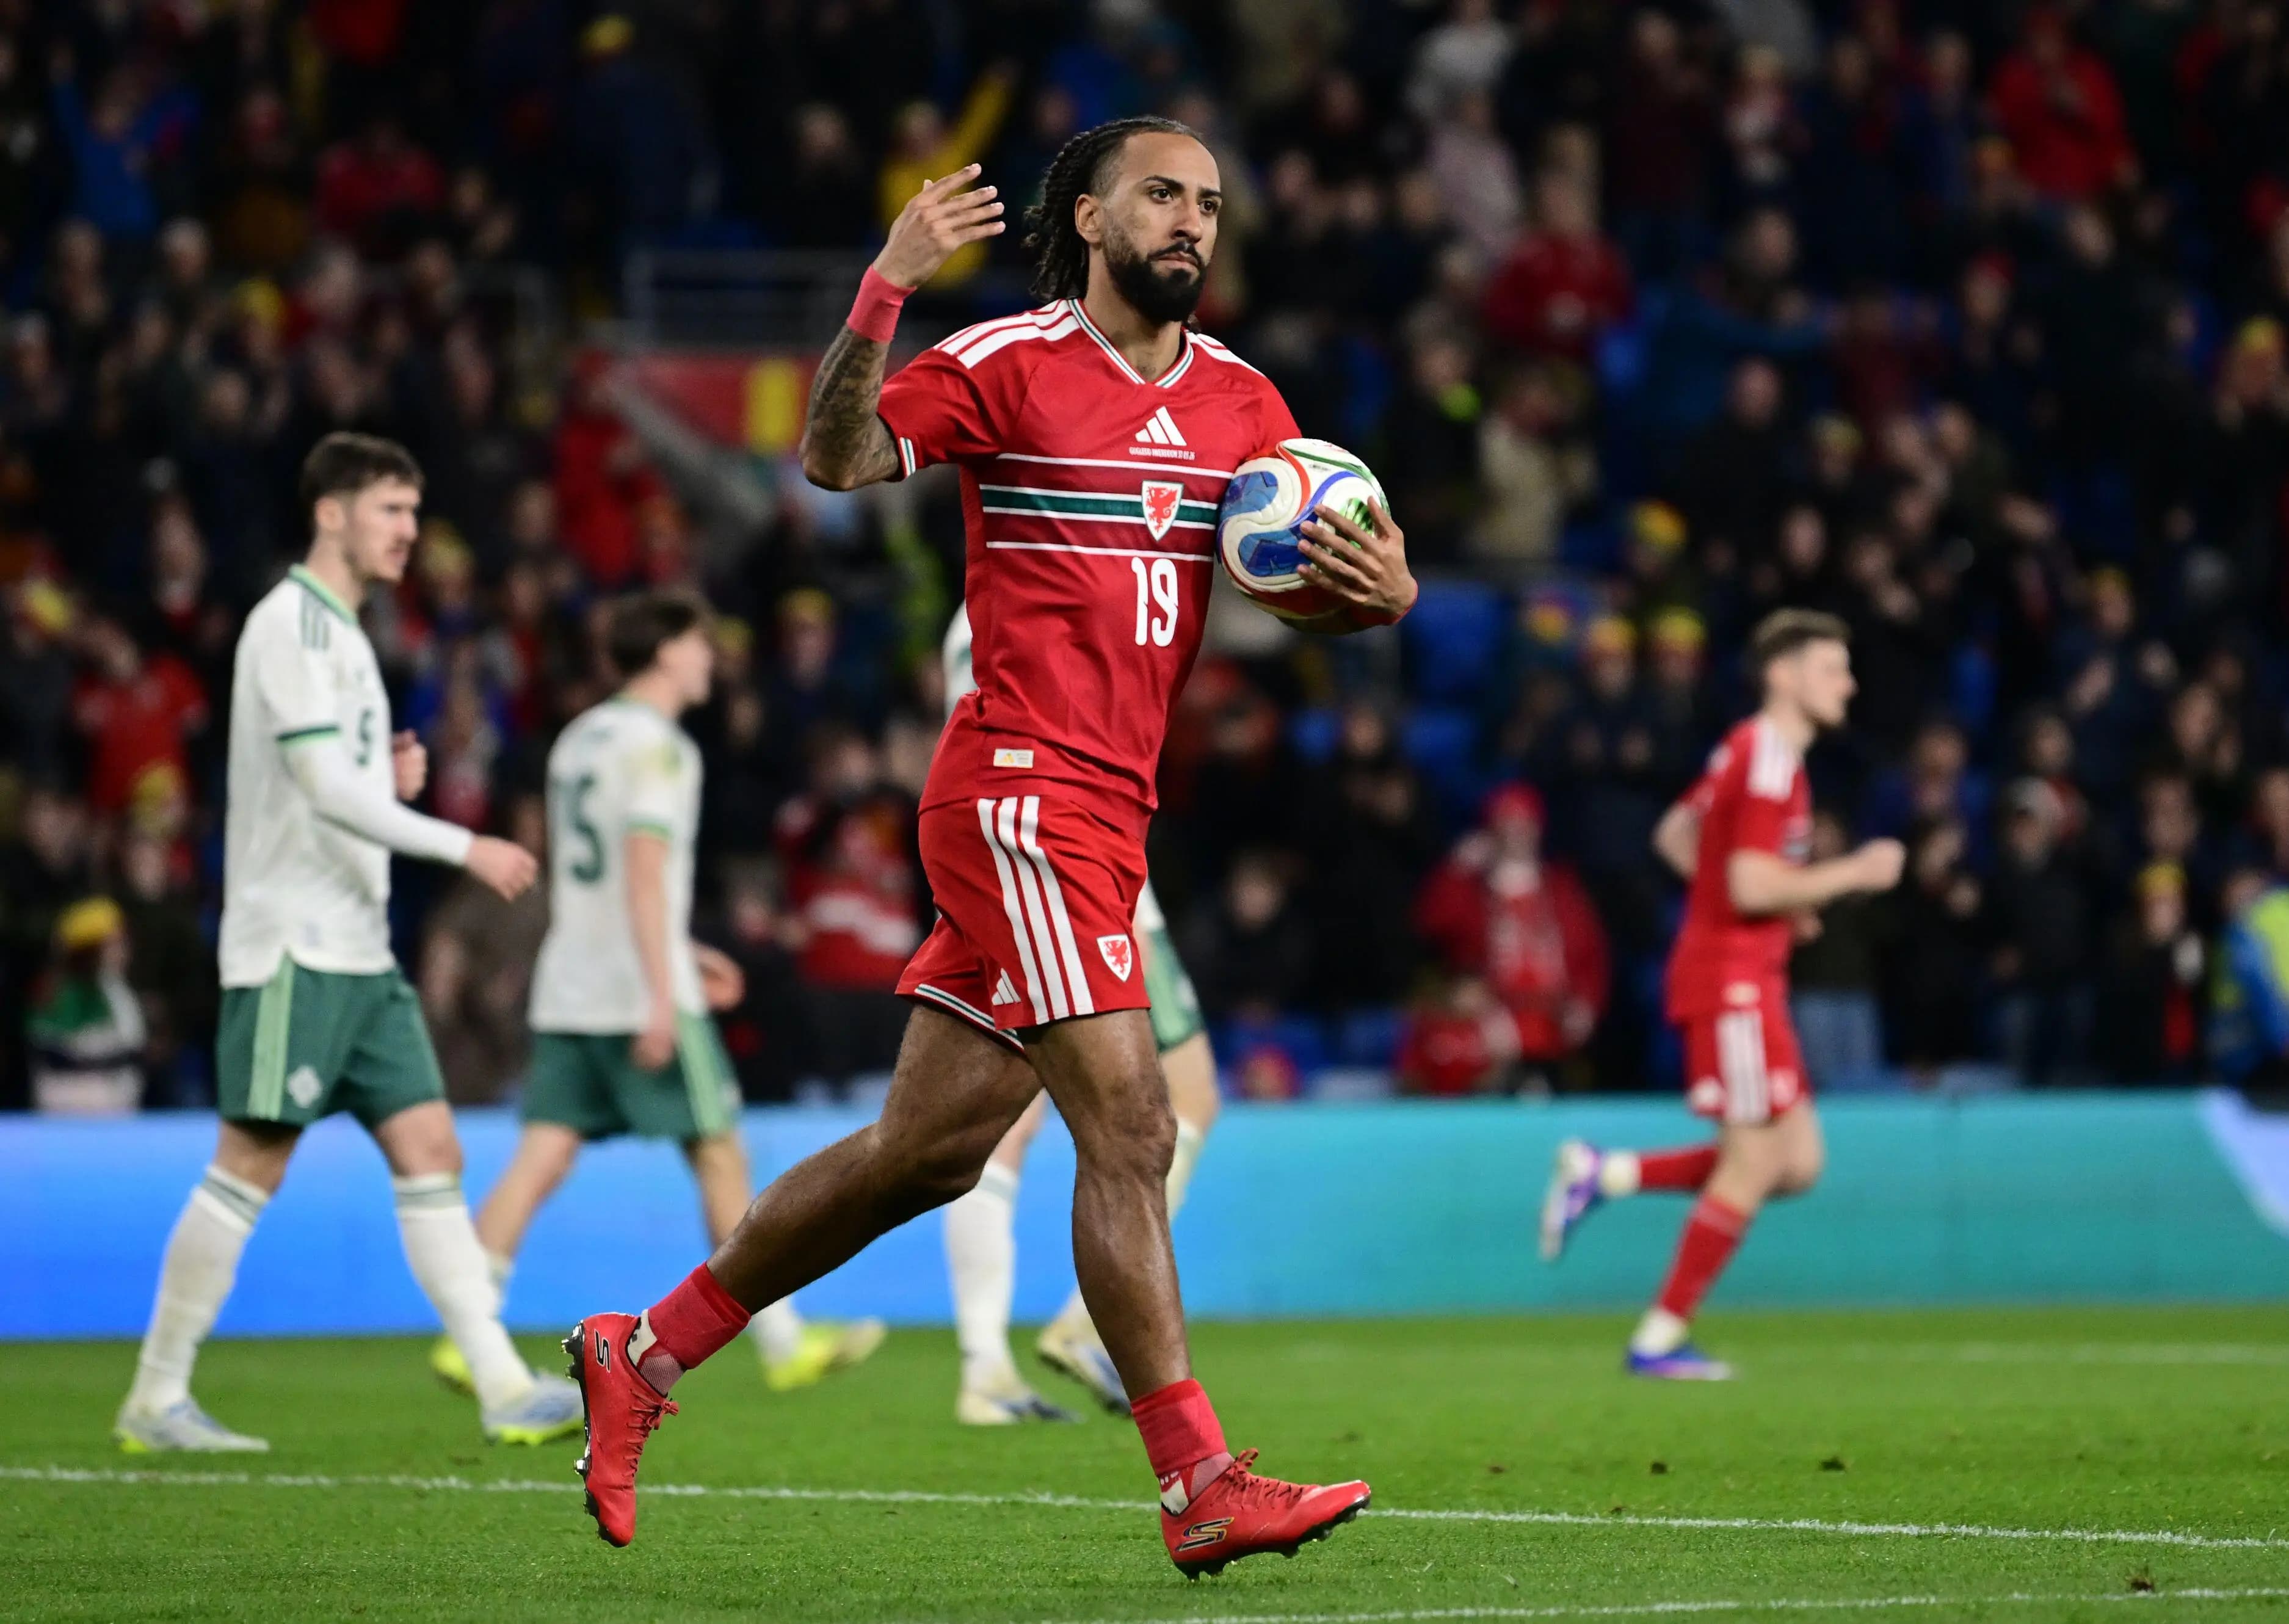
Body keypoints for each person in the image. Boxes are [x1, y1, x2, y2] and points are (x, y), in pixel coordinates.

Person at [561, 118, 1415, 1572]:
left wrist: (1383, 587)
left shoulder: (1247, 410)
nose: (1188, 224)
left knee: (926, 1154)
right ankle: (1196, 1480)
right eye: (1160, 195)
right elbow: (835, 459)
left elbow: (1318, 570)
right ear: (1087, 216)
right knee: (1132, 1126)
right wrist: (884, 288)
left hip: (1107, 813)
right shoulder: (1007, 363)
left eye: (1207, 203)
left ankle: (642, 1348)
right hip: (1020, 791)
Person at [114, 433, 580, 1452]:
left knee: (432, 1148)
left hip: (362, 952)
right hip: (295, 946)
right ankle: (154, 1396)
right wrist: (463, 841)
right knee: (250, 1161)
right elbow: (323, 794)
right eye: (390, 510)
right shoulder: (290, 627)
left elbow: (341, 785)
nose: (409, 532)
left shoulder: (351, 634)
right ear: (331, 513)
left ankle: (501, 1384)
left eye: (413, 513)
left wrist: (393, 782)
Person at [432, 590, 883, 1402]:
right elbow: (642, 871)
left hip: (572, 978)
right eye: (700, 644)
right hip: (635, 986)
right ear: (669, 652)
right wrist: (658, 991)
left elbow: (606, 879)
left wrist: (684, 948)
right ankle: (781, 1340)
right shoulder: (662, 749)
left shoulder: (580, 739)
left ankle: (469, 1329)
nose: (710, 658)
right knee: (718, 1149)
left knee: (543, 1155)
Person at [1538, 609, 1904, 1379]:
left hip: (1744, 973)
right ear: (1782, 674)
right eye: (1831, 667)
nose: (1849, 683)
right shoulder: (1770, 757)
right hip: (1731, 980)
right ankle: (1658, 1338)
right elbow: (1742, 879)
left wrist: (1777, 899)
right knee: (1752, 1160)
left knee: (1796, 1161)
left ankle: (1605, 1174)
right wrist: (1846, 874)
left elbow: (1677, 835)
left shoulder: (1746, 750)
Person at [934, 604, 1219, 1425]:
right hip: (1078, 863)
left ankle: (990, 1362)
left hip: (1028, 853)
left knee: (1000, 1123)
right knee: (1174, 1099)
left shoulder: (987, 608)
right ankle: (1077, 1327)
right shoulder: (1050, 588)